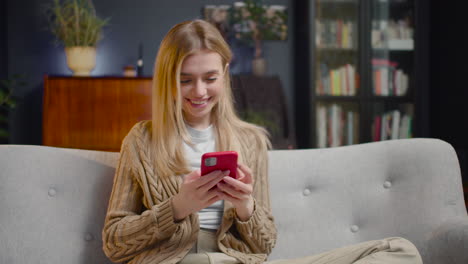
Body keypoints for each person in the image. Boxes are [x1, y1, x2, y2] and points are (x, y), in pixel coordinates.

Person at [102, 19, 423, 264]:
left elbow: (265, 245)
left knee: (398, 251)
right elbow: (114, 242)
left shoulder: (250, 141)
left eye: (210, 78)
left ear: (225, 74)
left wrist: (246, 208)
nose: (199, 91)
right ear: (167, 80)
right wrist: (176, 207)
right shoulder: (142, 140)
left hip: (236, 260)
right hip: (178, 260)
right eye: (185, 80)